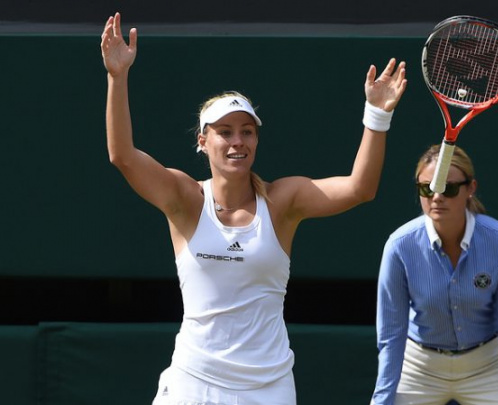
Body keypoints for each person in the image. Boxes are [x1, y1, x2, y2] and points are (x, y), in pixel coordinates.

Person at [100, 12, 407, 405]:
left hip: (268, 387)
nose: (237, 142)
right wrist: (117, 76)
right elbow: (123, 156)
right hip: (194, 382)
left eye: (246, 132)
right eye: (225, 132)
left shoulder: (282, 202)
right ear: (202, 141)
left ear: (257, 141)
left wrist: (378, 115)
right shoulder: (185, 198)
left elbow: (360, 188)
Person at [371, 145, 498, 405]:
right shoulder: (399, 246)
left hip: (487, 367)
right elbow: (391, 334)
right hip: (419, 368)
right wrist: (381, 400)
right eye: (427, 188)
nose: (437, 197)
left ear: (470, 188)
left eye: (448, 188)